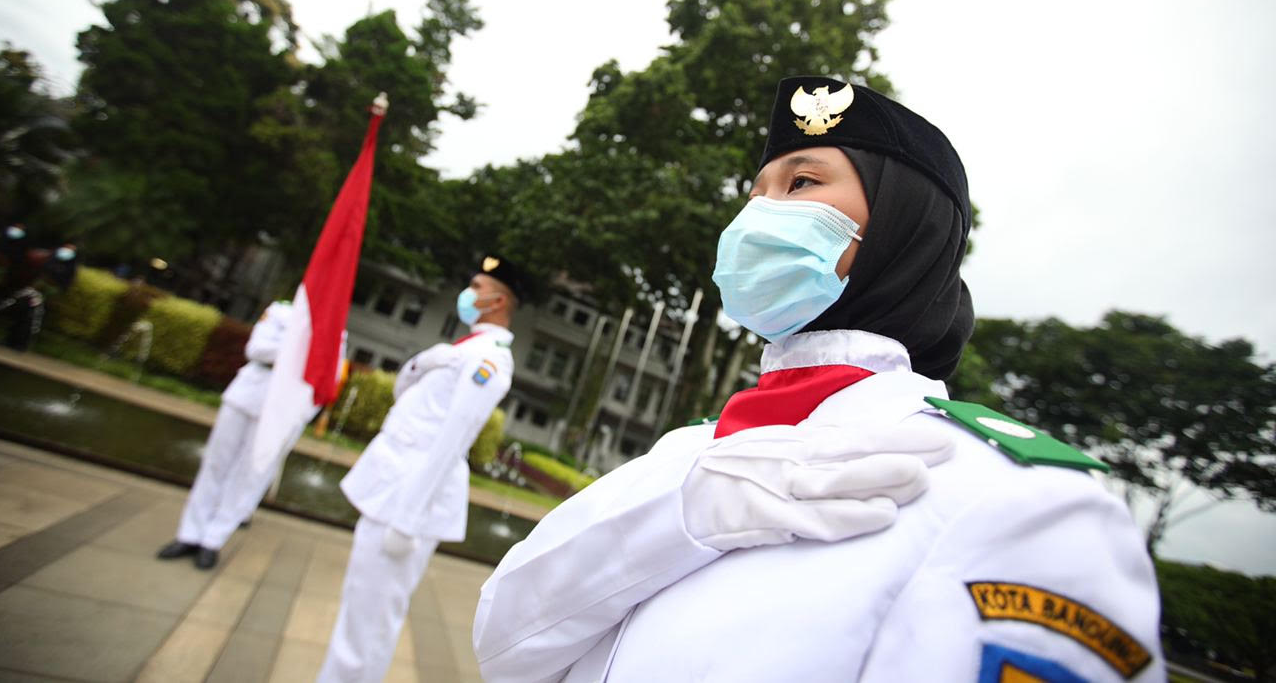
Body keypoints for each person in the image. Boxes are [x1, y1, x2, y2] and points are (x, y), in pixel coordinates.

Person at [472, 77, 1163, 682]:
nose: (759, 218)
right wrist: (679, 515)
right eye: (756, 194)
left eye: (802, 183)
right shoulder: (690, 455)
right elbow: (503, 644)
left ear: (903, 228)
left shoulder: (1018, 501)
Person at [317, 254, 523, 683]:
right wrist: (421, 362)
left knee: (371, 618)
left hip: (409, 498)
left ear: (499, 301)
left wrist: (408, 519)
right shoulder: (461, 349)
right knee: (361, 605)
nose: (469, 294)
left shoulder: (491, 360)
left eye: (478, 288)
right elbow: (404, 396)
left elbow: (452, 442)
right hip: (392, 484)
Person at [157, 300, 305, 569]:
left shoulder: (334, 331)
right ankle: (190, 533)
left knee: (249, 475)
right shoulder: (280, 311)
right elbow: (256, 349)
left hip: (284, 406)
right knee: (216, 463)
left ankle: (213, 540)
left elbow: (323, 375)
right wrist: (299, 350)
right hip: (246, 393)